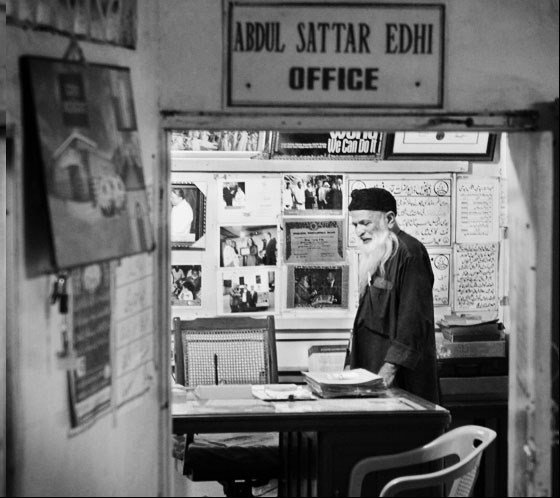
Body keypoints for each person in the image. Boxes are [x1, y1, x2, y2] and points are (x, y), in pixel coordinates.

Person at [345, 187, 439, 404]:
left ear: (389, 219)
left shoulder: (410, 253)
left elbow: (414, 320)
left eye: (365, 223)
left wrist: (388, 371)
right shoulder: (379, 252)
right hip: (372, 373)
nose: (359, 231)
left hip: (399, 380)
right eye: (355, 225)